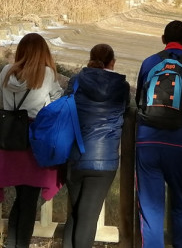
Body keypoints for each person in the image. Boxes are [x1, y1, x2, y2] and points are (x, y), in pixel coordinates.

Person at [135, 20, 182, 248]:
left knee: (150, 208)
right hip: (178, 144)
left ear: (163, 39)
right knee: (179, 203)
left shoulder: (149, 62)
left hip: (147, 142)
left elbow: (139, 97)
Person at [0, 32, 64, 248]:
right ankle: (19, 245)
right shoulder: (47, 73)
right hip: (34, 139)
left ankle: (11, 243)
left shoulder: (6, 71)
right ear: (43, 52)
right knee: (29, 200)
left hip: (10, 137)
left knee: (21, 197)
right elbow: (57, 100)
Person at [63, 44, 130, 248]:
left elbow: (64, 107)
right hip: (104, 159)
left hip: (75, 154)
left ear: (90, 58)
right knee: (87, 216)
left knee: (76, 213)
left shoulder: (76, 81)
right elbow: (126, 108)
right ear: (112, 62)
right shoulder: (121, 86)